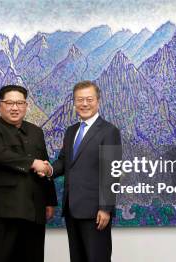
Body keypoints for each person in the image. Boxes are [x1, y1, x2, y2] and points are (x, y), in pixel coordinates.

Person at [42, 80, 121, 262]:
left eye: (89, 99)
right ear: (74, 102)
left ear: (98, 101)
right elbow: (64, 161)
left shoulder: (109, 131)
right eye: (79, 100)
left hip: (96, 212)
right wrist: (49, 170)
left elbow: (112, 172)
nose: (84, 104)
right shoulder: (71, 131)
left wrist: (105, 208)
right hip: (72, 209)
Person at [0, 84, 57, 262]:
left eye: (19, 103)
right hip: (3, 211)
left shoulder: (36, 131)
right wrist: (32, 162)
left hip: (34, 210)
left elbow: (45, 163)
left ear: (26, 106)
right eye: (9, 103)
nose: (15, 108)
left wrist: (50, 201)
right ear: (0, 105)